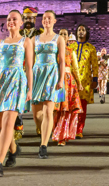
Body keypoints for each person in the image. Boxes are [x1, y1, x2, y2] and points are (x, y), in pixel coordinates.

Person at [0, 9, 33, 178]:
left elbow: (29, 67)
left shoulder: (26, 42)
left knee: (7, 124)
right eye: (9, 19)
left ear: (21, 23)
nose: (11, 22)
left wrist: (30, 88)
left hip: (16, 81)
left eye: (15, 19)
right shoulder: (1, 43)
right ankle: (13, 149)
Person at [30, 10, 65, 158]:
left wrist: (61, 79)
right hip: (37, 74)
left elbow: (62, 60)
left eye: (49, 18)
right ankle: (44, 129)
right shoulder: (34, 39)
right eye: (44, 18)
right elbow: (30, 61)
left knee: (48, 111)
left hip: (51, 74)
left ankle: (43, 145)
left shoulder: (59, 39)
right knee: (37, 113)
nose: (46, 20)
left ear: (55, 21)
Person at [51, 29, 83, 146]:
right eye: (61, 34)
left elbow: (75, 68)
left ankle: (62, 136)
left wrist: (79, 83)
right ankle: (56, 131)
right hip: (57, 82)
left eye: (65, 34)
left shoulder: (71, 51)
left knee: (66, 109)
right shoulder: (54, 51)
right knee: (56, 109)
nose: (63, 36)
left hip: (69, 83)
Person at [73, 24, 98, 138]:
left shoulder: (91, 48)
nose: (81, 32)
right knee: (72, 105)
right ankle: (71, 127)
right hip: (72, 80)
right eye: (79, 30)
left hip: (85, 81)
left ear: (86, 33)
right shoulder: (71, 47)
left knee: (82, 106)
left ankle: (79, 129)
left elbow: (95, 65)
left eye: (83, 30)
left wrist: (95, 79)